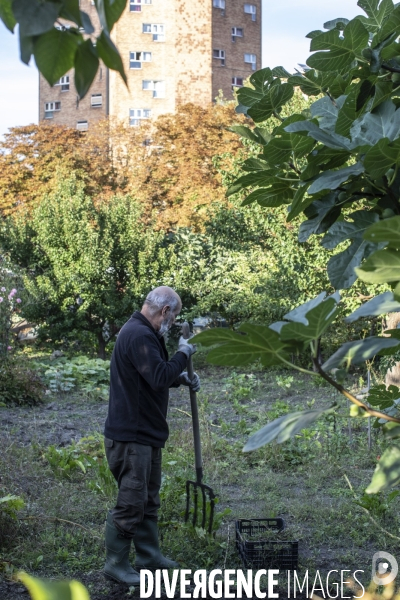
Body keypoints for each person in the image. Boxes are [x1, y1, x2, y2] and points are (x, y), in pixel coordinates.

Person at [103, 286, 199, 585]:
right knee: (132, 501)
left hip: (145, 432)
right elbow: (157, 376)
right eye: (174, 316)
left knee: (148, 498)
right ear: (165, 311)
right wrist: (183, 354)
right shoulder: (140, 334)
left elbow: (150, 375)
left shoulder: (143, 332)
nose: (171, 323)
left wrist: (179, 378)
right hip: (132, 435)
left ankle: (148, 555)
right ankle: (115, 564)